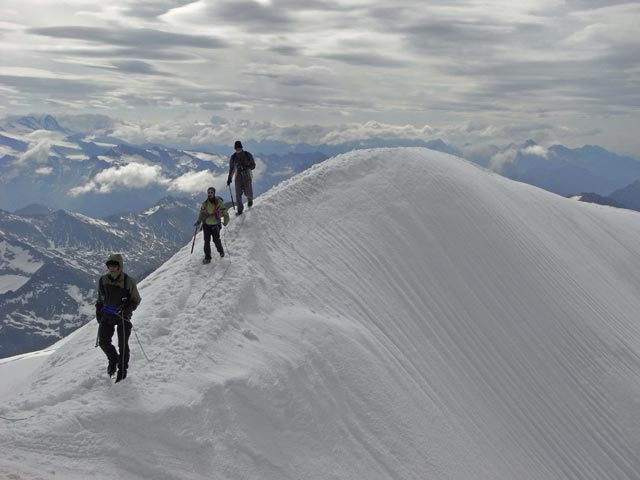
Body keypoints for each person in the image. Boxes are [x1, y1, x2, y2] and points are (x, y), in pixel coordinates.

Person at [95, 253, 141, 383]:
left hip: (122, 317)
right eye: (110, 266)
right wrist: (98, 311)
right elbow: (100, 298)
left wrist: (128, 309)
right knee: (103, 342)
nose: (112, 268)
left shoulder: (128, 281)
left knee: (123, 345)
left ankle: (122, 371)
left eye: (114, 266)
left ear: (119, 266)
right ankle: (113, 359)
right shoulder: (103, 280)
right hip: (107, 315)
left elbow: (136, 299)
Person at [194, 187, 230, 264]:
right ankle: (207, 257)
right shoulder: (205, 203)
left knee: (216, 240)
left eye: (211, 192)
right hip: (206, 225)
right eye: (208, 193)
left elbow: (225, 213)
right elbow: (202, 213)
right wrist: (198, 221)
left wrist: (226, 222)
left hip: (215, 225)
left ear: (214, 193)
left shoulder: (219, 202)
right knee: (206, 241)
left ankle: (221, 251)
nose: (209, 194)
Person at [226, 140, 256, 215]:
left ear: (242, 147)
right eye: (237, 148)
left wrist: (246, 167)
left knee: (248, 192)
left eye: (239, 148)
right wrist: (229, 178)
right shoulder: (233, 157)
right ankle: (240, 210)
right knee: (238, 194)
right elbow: (232, 169)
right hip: (238, 177)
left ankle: (250, 199)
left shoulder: (247, 155)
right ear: (235, 149)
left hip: (247, 175)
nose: (238, 149)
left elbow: (253, 165)